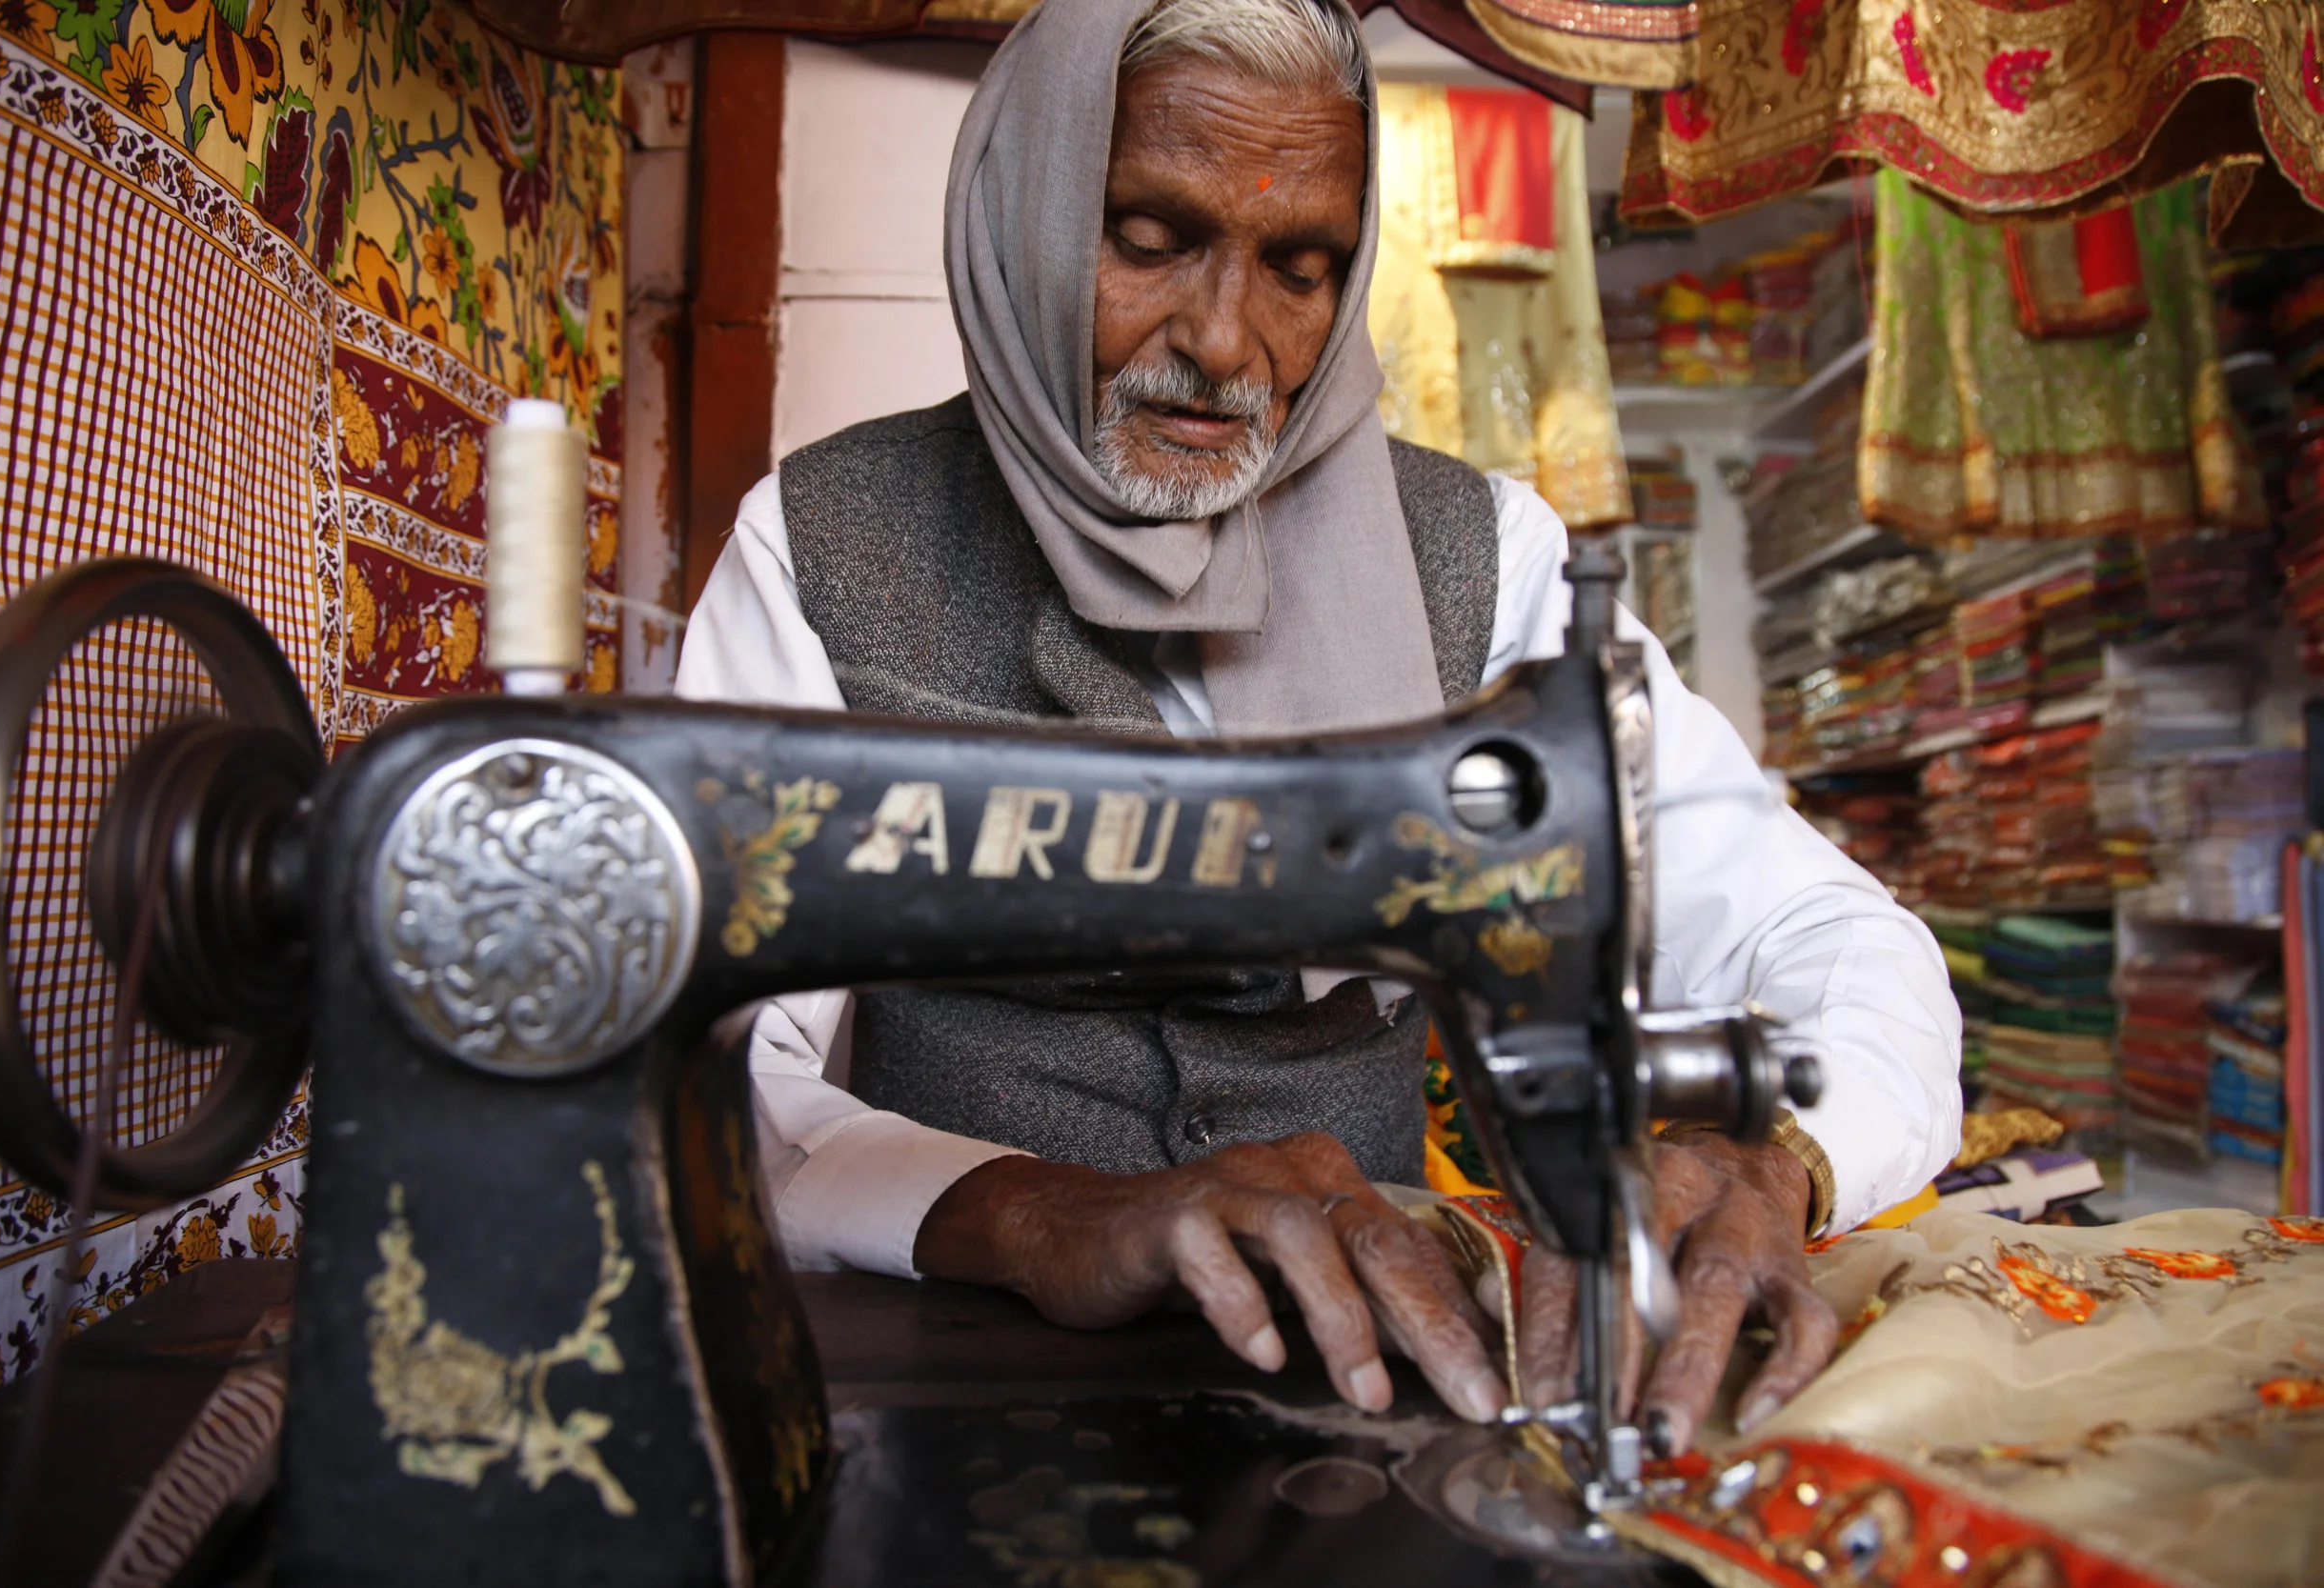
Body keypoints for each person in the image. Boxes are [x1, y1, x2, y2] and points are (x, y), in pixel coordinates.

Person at [677, 0, 1962, 1453]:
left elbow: (1840, 945)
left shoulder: (1490, 560)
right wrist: (1041, 1209)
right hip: (955, 1364)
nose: (1228, 344)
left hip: (1369, 1386)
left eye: (1303, 269)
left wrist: (1779, 1156)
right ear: (1024, 209)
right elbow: (712, 1066)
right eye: (1150, 240)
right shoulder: (823, 537)